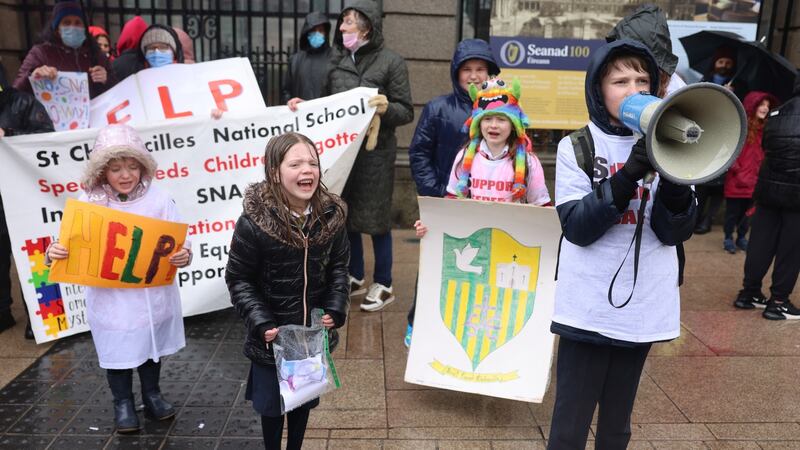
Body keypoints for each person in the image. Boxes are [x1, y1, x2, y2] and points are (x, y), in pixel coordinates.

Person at [548, 40, 696, 449]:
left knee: (617, 421)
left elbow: (673, 232)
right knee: (570, 422)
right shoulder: (576, 146)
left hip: (642, 305)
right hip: (588, 306)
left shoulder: (673, 140)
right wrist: (628, 174)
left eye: (643, 80)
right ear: (598, 89)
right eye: (620, 80)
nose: (634, 89)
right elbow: (577, 227)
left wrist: (676, 186)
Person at [46, 124, 192, 433]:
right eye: (115, 168)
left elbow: (180, 240)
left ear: (142, 166)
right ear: (102, 171)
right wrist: (54, 252)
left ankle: (152, 395)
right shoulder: (89, 201)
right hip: (111, 298)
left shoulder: (159, 198)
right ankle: (122, 402)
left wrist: (184, 255)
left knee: (151, 348)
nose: (125, 175)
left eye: (132, 166)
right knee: (118, 350)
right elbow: (67, 243)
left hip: (152, 296)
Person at [225, 132, 350, 449]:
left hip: (309, 335)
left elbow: (338, 268)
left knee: (302, 401)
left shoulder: (331, 218)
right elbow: (239, 278)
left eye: (313, 162)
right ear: (274, 172)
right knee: (271, 406)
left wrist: (336, 307)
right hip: (273, 336)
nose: (306, 170)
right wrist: (261, 321)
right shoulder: (253, 223)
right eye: (295, 164)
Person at [405, 38, 499, 346]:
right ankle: (416, 321)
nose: (473, 76)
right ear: (456, 73)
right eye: (467, 70)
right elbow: (419, 152)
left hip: (486, 203)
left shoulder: (501, 109)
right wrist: (433, 192)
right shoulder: (437, 108)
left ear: (491, 73)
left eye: (480, 69)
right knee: (434, 263)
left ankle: (466, 322)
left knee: (477, 266)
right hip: (443, 204)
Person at [320, 0, 413, 312]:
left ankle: (384, 282)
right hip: (345, 154)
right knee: (346, 216)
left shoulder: (391, 62)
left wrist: (386, 109)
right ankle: (355, 275)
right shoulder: (337, 62)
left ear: (366, 27)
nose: (343, 28)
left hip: (376, 155)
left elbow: (405, 110)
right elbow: (324, 107)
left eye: (349, 22)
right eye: (343, 21)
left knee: (376, 219)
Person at [733, 78, 800, 319]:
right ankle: (778, 301)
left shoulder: (776, 112)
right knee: (790, 250)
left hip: (768, 189)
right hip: (797, 196)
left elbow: (766, 145)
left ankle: (748, 293)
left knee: (760, 243)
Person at [0, 65, 55, 335]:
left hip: (22, 196)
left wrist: (9, 136)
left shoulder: (22, 102)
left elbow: (46, 138)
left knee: (31, 254)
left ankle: (39, 317)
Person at [13, 0, 115, 99]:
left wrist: (107, 80)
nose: (72, 27)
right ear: (57, 29)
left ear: (85, 27)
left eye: (78, 22)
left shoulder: (97, 56)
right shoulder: (40, 53)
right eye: (66, 23)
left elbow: (117, 93)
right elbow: (16, 92)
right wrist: (32, 76)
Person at [722, 91, 777, 254]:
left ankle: (741, 237)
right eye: (762, 104)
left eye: (768, 105)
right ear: (752, 106)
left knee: (747, 214)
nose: (765, 108)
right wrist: (737, 171)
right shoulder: (741, 128)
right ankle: (728, 238)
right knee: (732, 213)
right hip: (737, 180)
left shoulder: (767, 129)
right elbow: (729, 152)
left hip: (755, 180)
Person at [694, 46, 741, 234]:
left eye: (728, 63)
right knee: (702, 183)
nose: (724, 66)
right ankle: (695, 217)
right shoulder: (703, 83)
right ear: (715, 63)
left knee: (720, 185)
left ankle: (708, 220)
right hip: (705, 138)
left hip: (727, 139)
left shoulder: (740, 85)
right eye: (721, 62)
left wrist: (732, 95)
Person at [605, 3, 685, 97]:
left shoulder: (675, 99)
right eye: (621, 82)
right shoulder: (667, 86)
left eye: (642, 81)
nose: (633, 92)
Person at [282, 12, 333, 105]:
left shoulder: (334, 58)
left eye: (321, 30)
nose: (317, 34)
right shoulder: (295, 60)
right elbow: (287, 91)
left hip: (328, 115)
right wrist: (290, 103)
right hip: (301, 115)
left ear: (326, 33)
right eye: (313, 30)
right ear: (307, 32)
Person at [113, 24, 184, 81]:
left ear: (174, 51)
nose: (157, 52)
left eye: (162, 47)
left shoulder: (185, 75)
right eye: (151, 48)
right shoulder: (136, 78)